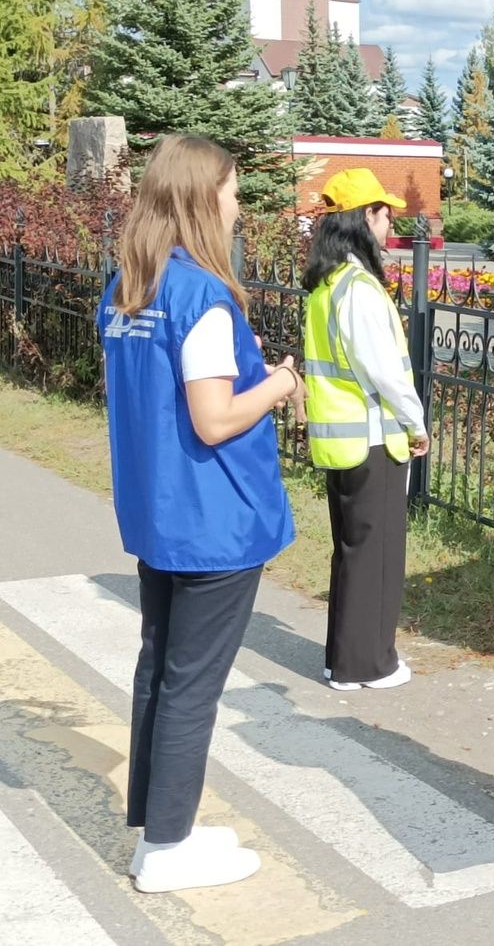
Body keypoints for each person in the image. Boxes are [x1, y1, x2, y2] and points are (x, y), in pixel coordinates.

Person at [96, 134, 301, 893]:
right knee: (190, 684)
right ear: (201, 198)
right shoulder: (203, 297)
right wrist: (279, 382)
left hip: (160, 512)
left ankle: (158, 831)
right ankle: (171, 845)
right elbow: (214, 419)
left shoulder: (130, 289)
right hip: (216, 522)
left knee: (161, 669)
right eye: (232, 190)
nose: (238, 204)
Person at [302, 169, 429, 692]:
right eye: (383, 213)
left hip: (343, 438)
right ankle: (369, 664)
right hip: (374, 437)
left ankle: (344, 660)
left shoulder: (326, 285)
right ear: (362, 219)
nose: (389, 222)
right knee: (376, 554)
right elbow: (385, 371)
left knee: (352, 551)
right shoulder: (359, 289)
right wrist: (416, 423)